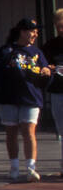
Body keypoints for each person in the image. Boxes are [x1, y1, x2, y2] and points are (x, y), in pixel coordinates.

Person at [0, 18, 52, 183]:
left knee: (29, 132)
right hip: (8, 98)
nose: (34, 34)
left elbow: (45, 74)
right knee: (11, 133)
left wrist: (47, 72)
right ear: (21, 31)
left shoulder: (37, 53)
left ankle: (31, 168)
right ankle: (14, 167)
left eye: (35, 32)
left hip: (31, 98)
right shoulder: (6, 50)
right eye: (31, 31)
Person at [40, 10, 63, 176]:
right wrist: (48, 68)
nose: (60, 29)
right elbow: (42, 64)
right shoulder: (50, 45)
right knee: (61, 130)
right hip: (57, 91)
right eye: (58, 26)